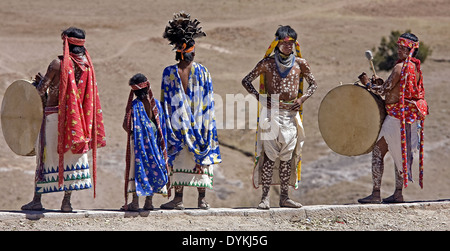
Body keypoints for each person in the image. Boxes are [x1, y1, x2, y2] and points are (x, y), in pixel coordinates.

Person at [21, 27, 106, 212]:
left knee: (44, 155)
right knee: (70, 157)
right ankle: (66, 202)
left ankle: (37, 201)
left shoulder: (57, 64)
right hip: (78, 122)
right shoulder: (87, 66)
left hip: (54, 118)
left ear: (66, 43)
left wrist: (40, 82)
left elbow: (40, 93)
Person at [242, 25, 317, 209]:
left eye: (291, 43)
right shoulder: (266, 63)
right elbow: (246, 80)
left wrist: (302, 99)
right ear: (277, 42)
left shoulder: (301, 63)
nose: (288, 46)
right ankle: (264, 198)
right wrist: (260, 98)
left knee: (287, 157)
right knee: (268, 156)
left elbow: (313, 84)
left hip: (291, 115)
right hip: (271, 114)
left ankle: (284, 197)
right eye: (284, 43)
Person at [159, 12, 222, 210]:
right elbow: (208, 101)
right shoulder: (203, 71)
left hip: (177, 125)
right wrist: (207, 125)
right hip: (200, 125)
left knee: (179, 160)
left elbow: (164, 102)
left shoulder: (169, 72)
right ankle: (201, 199)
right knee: (197, 159)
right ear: (192, 53)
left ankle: (178, 199)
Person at [358, 32, 428, 204]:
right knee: (400, 155)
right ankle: (398, 193)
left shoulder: (399, 68)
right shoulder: (415, 68)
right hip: (407, 118)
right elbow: (394, 90)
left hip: (396, 118)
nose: (398, 50)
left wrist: (367, 84)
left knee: (378, 152)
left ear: (410, 49)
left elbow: (384, 91)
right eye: (398, 47)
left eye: (402, 47)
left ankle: (375, 194)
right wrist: (381, 84)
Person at [121, 73, 169, 211]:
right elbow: (162, 126)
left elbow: (126, 125)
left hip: (137, 143)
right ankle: (149, 202)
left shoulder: (135, 106)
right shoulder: (156, 106)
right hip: (154, 141)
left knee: (137, 168)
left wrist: (134, 133)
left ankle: (135, 202)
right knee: (151, 166)